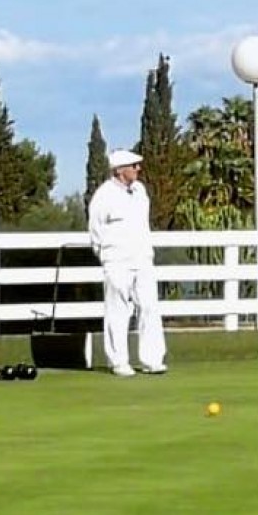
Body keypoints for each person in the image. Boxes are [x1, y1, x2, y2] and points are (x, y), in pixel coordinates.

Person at [88, 148, 166, 377]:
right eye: (134, 166)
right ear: (121, 170)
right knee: (118, 310)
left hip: (142, 258)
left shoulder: (140, 191)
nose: (138, 169)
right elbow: (95, 230)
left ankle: (152, 359)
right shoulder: (104, 195)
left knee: (149, 307)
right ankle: (118, 361)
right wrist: (106, 256)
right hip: (117, 260)